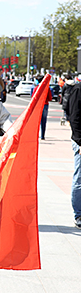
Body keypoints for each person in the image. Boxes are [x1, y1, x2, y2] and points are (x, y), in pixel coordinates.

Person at [66, 82, 81, 228]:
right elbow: (74, 118)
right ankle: (79, 214)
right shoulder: (78, 90)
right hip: (80, 141)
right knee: (80, 178)